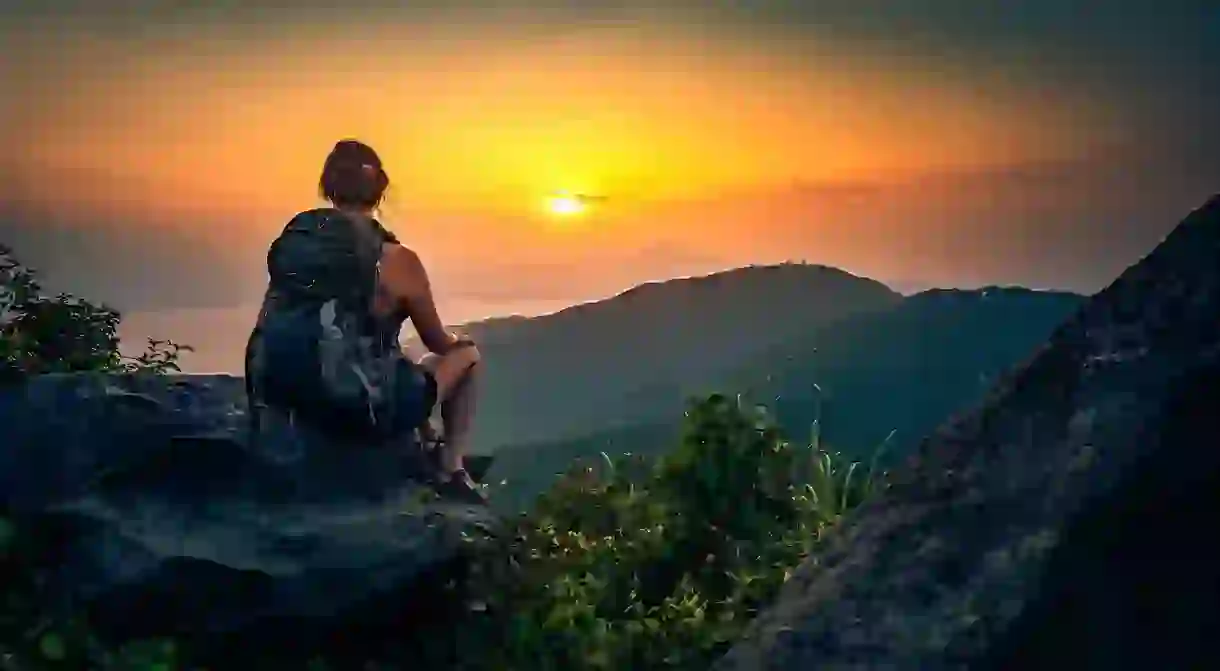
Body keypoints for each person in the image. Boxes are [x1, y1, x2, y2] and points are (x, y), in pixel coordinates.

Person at [244, 139, 485, 504]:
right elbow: (440, 344)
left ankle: (425, 441)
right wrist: (458, 340)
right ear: (380, 190)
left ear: (328, 187)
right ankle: (450, 466)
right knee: (466, 355)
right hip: (351, 408)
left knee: (396, 357)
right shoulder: (399, 259)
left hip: (280, 393)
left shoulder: (302, 245)